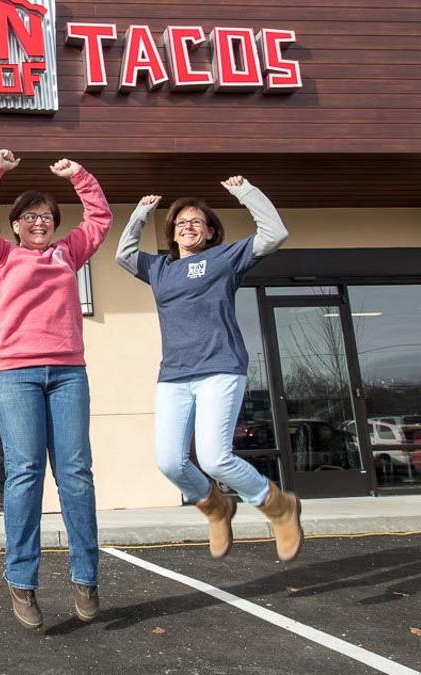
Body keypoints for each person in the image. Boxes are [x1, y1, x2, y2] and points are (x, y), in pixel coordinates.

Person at [0, 148, 112, 630]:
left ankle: (85, 578)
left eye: (46, 216)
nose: (39, 222)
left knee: (76, 474)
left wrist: (79, 176)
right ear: (17, 224)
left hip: (67, 373)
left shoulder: (69, 252)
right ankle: (22, 583)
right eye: (30, 216)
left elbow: (100, 218)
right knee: (24, 472)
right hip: (14, 375)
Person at [114, 176, 303, 562]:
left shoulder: (225, 258)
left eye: (197, 222)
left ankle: (276, 505)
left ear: (211, 230)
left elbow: (274, 232)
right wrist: (140, 213)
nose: (188, 227)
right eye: (181, 223)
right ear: (173, 234)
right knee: (169, 460)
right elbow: (123, 254)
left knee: (216, 457)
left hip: (220, 367)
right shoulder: (161, 268)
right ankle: (216, 507)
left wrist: (246, 193)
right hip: (175, 375)